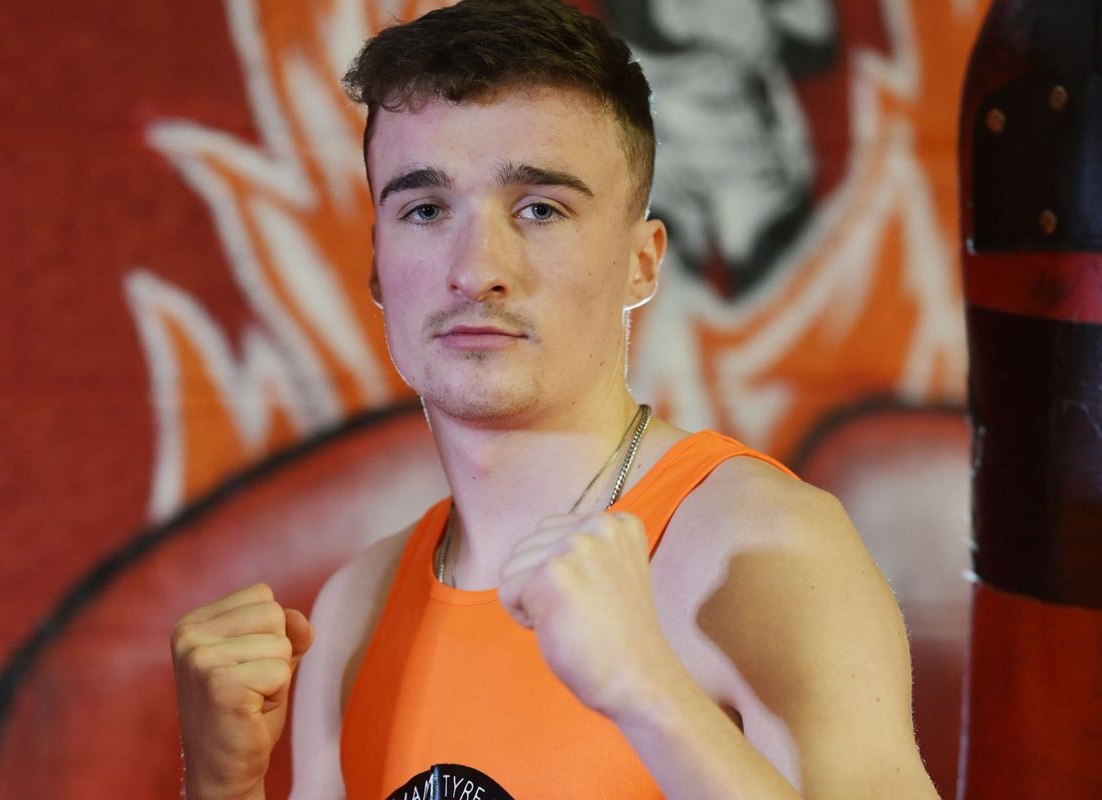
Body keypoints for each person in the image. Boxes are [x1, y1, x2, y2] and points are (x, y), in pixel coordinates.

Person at [170, 1, 940, 798]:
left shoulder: (759, 552)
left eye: (540, 209)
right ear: (377, 269)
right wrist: (224, 786)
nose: (476, 269)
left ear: (641, 265)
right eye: (426, 210)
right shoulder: (356, 608)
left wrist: (647, 693)